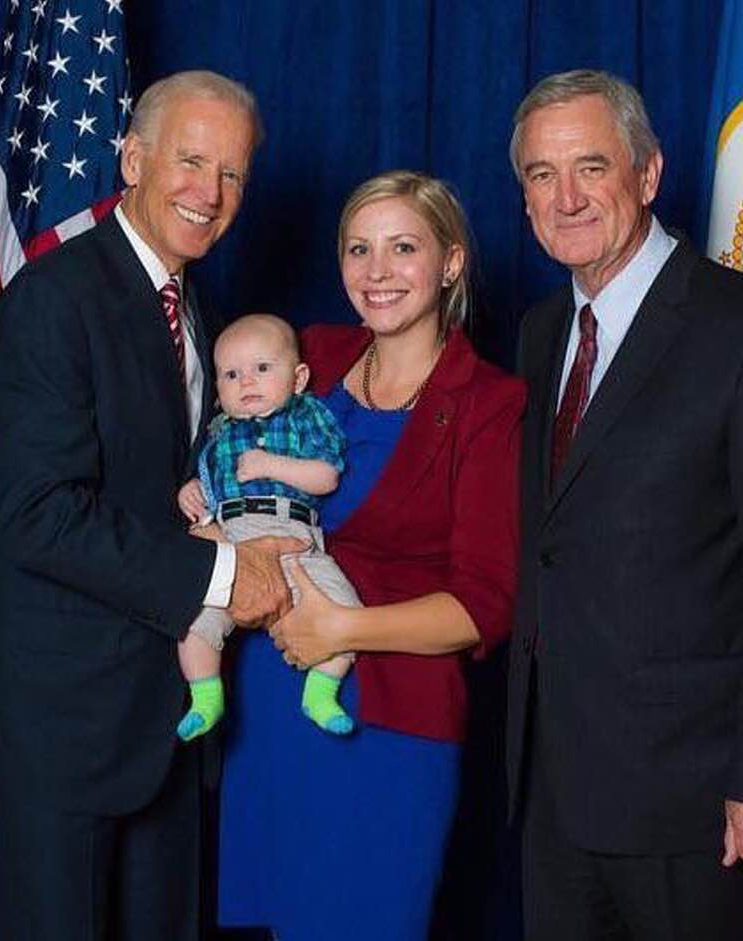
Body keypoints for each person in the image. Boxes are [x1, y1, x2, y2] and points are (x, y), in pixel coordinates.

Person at [0, 71, 304, 941]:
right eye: (188, 160)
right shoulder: (57, 296)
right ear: (133, 158)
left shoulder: (195, 311)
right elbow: (35, 512)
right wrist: (226, 573)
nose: (207, 192)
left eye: (231, 174)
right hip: (60, 718)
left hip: (159, 716)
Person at [505, 69, 743, 941]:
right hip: (556, 795)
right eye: (541, 175)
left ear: (647, 175)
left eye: (590, 167)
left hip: (700, 808)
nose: (566, 198)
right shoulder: (540, 334)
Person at [215, 170, 526, 941]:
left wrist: (341, 631)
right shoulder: (307, 357)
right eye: (359, 248)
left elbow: (484, 603)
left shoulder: (490, 403)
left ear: (450, 263)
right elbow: (225, 464)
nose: (377, 271)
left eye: (403, 247)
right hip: (269, 707)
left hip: (389, 723)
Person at [174, 314, 360, 740]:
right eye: (231, 375)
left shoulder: (305, 414)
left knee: (344, 609)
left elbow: (326, 476)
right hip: (232, 535)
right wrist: (192, 494)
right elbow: (208, 487)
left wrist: (271, 465)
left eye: (262, 369)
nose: (247, 383)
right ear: (218, 391)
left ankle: (321, 691)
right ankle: (205, 696)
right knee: (193, 618)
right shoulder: (218, 435)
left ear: (298, 378)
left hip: (295, 536)